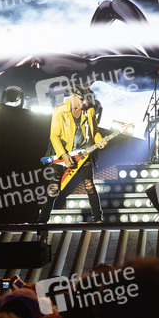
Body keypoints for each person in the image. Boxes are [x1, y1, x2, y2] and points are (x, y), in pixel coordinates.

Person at [38, 85, 106, 224]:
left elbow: (95, 132)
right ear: (73, 96)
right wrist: (63, 155)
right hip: (62, 154)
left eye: (86, 100)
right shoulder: (59, 110)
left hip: (83, 153)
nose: (84, 103)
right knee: (53, 188)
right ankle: (42, 222)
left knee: (89, 186)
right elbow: (54, 136)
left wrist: (100, 140)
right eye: (82, 99)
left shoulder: (90, 111)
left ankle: (98, 220)